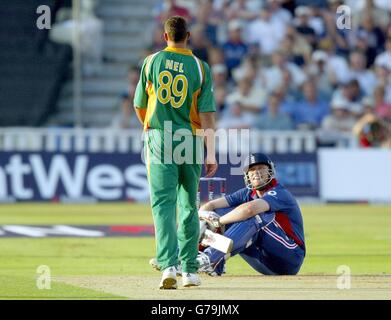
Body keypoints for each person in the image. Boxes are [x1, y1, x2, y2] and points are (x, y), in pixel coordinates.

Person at [133, 16, 217, 289]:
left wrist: (151, 128)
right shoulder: (200, 67)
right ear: (188, 35)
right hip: (190, 140)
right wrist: (211, 151)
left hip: (160, 137)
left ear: (165, 35)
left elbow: (139, 104)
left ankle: (168, 266)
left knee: (162, 205)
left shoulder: (151, 61)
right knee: (188, 205)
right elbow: (207, 115)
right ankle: (190, 270)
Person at [197, 153, 306, 276]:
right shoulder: (246, 193)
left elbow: (249, 209)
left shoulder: (280, 193)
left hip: (290, 257)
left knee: (255, 217)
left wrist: (218, 222)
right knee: (218, 212)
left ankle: (209, 257)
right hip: (264, 262)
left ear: (270, 170)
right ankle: (198, 259)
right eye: (252, 169)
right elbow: (210, 206)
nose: (256, 172)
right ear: (247, 175)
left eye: (261, 168)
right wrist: (201, 220)